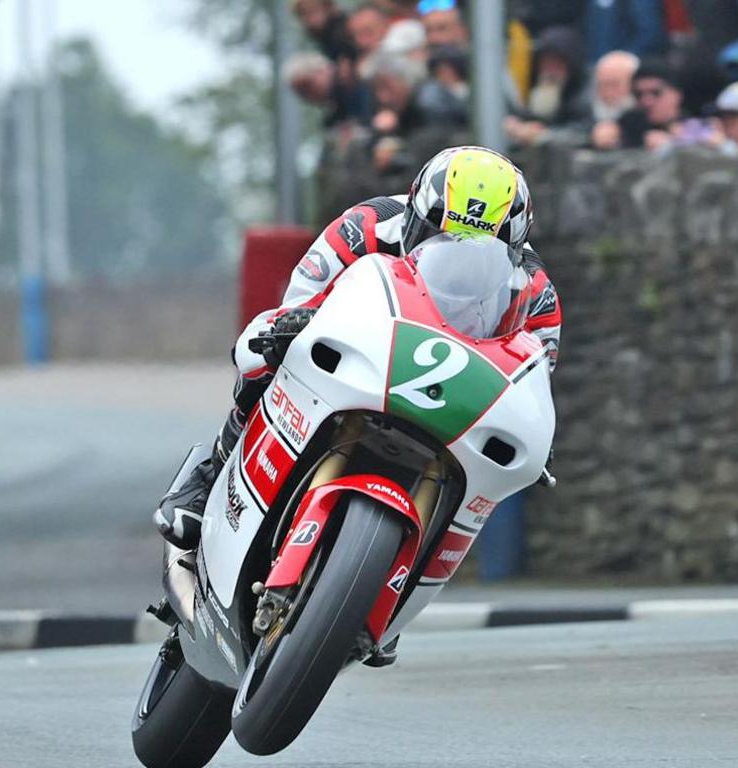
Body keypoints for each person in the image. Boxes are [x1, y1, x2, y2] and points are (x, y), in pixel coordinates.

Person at [155, 147, 563, 560]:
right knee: (262, 351)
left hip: (451, 389)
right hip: (367, 352)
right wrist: (292, 326)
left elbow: (532, 377)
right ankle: (211, 473)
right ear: (416, 215)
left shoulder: (537, 293)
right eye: (440, 234)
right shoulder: (365, 226)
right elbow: (302, 298)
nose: (457, 258)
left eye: (481, 249)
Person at [615, 58, 715, 150]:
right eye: (639, 94)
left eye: (656, 93)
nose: (646, 101)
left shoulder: (697, 127)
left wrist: (672, 146)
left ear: (676, 94)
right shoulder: (627, 126)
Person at [285, 52, 367, 128]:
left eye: (307, 86)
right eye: (301, 93)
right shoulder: (334, 119)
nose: (308, 95)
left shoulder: (355, 77)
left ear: (322, 71)